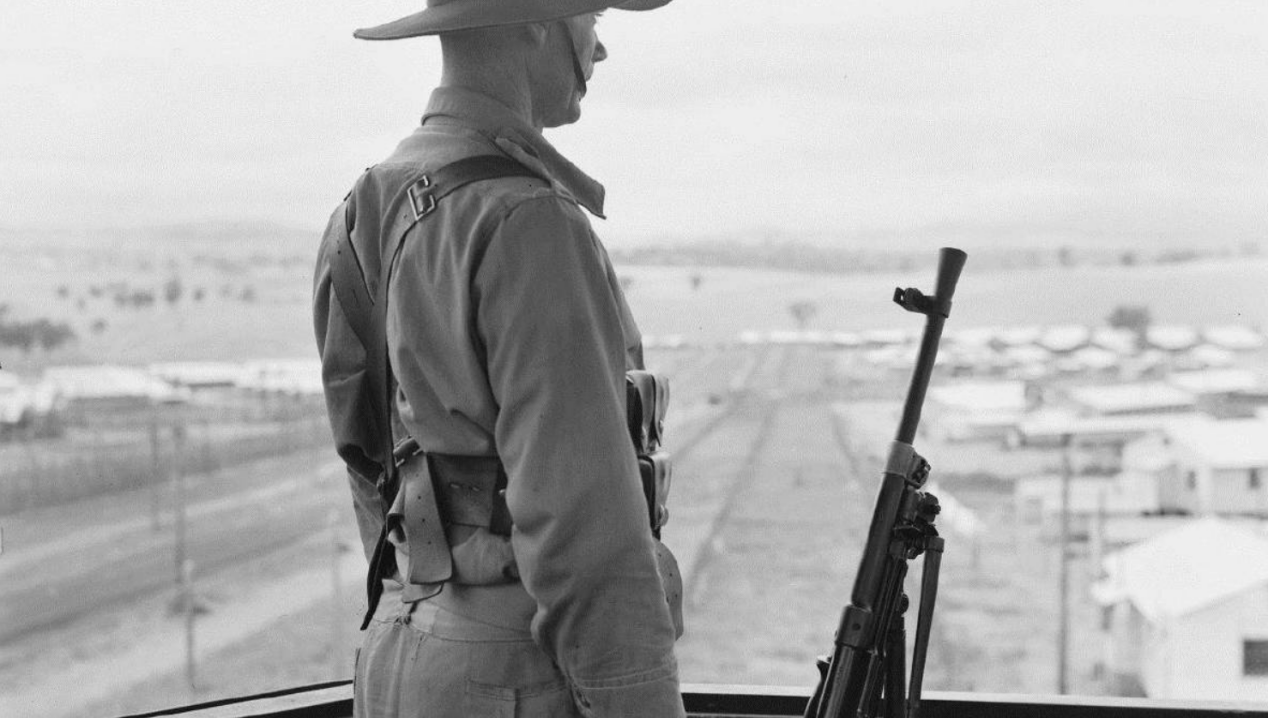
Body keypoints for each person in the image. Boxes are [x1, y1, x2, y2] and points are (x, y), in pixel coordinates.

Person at [312, 1, 685, 716]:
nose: (598, 48)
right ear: (538, 21)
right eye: (590, 16)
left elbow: (367, 467)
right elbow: (587, 532)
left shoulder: (360, 211)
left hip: (396, 646)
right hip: (509, 672)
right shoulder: (528, 220)